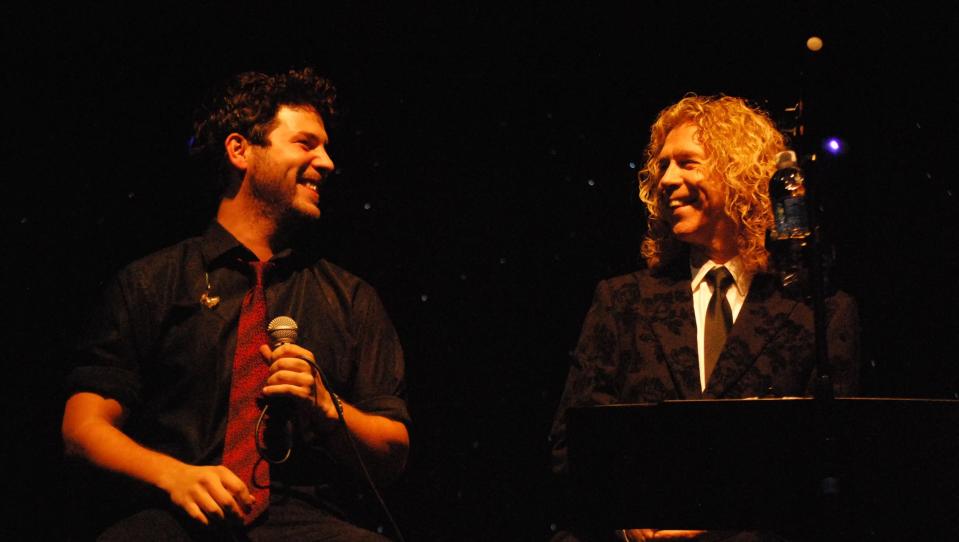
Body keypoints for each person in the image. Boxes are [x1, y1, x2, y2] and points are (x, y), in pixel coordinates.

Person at [61, 68, 410, 541]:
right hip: (178, 511)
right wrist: (174, 475)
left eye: (326, 147)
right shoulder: (152, 282)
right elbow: (82, 428)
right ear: (240, 150)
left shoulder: (351, 299)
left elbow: (393, 451)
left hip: (305, 522)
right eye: (306, 143)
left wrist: (327, 406)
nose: (326, 162)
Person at [548, 95, 860, 542]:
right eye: (662, 166)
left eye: (687, 163)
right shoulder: (623, 301)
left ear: (739, 175)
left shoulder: (817, 311)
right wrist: (627, 519)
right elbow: (570, 445)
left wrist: (719, 528)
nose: (667, 179)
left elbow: (830, 468)